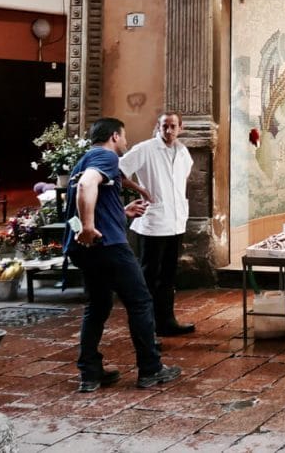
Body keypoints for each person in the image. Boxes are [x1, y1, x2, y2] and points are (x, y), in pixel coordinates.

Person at [64, 117, 182, 392]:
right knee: (141, 302)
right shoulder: (106, 157)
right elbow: (87, 186)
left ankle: (90, 373)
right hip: (109, 247)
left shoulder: (83, 160)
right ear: (115, 136)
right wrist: (90, 227)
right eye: (124, 137)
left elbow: (86, 194)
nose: (126, 142)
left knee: (98, 306)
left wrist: (121, 212)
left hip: (82, 249)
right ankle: (151, 369)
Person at [119, 112, 195, 336]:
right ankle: (146, 326)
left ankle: (167, 321)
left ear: (181, 128)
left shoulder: (183, 152)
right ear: (158, 127)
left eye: (173, 126)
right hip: (154, 223)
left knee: (169, 274)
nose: (168, 131)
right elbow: (119, 171)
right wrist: (141, 189)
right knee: (149, 274)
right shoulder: (146, 149)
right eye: (164, 126)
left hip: (176, 221)